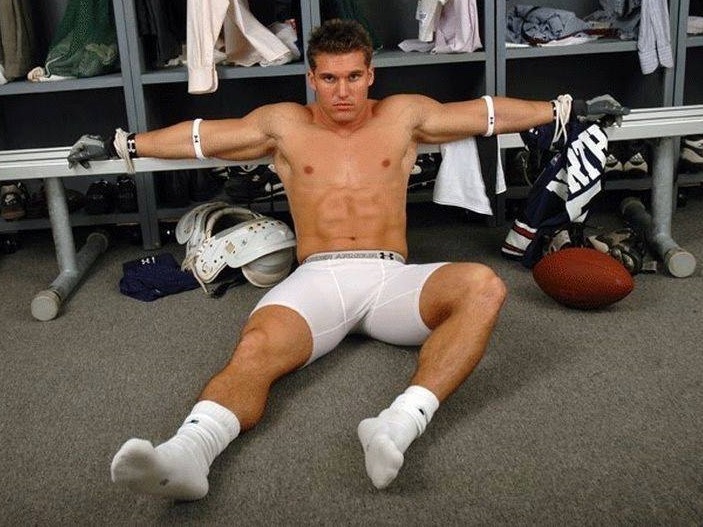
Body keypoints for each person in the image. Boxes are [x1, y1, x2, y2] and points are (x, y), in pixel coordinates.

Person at [68, 19, 624, 500]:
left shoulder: (403, 116)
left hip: (390, 279)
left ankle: (396, 426)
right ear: (312, 78)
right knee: (256, 347)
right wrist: (125, 145)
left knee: (484, 286)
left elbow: (482, 114)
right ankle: (188, 454)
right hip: (318, 279)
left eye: (354, 77)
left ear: (370, 75)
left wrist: (563, 109)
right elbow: (204, 137)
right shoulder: (285, 124)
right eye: (330, 79)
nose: (342, 92)